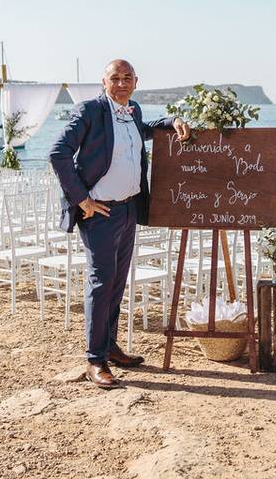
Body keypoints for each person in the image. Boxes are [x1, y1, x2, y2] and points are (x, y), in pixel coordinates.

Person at [50, 59, 190, 389]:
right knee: (101, 283)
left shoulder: (134, 111)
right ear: (104, 81)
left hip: (128, 210)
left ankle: (110, 346)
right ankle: (94, 360)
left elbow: (145, 129)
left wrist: (173, 120)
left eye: (128, 78)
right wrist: (81, 199)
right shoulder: (90, 111)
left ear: (136, 82)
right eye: (116, 78)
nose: (122, 83)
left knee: (117, 283)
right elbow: (58, 153)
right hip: (99, 213)